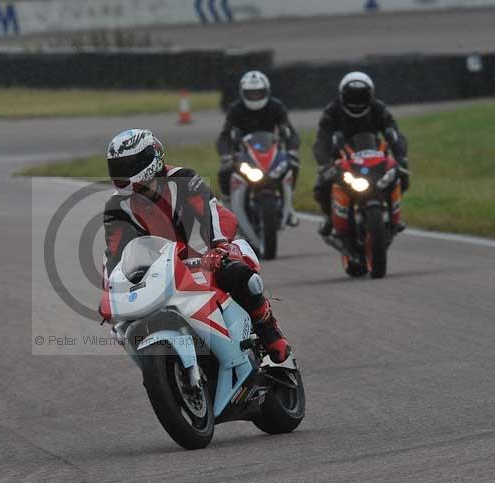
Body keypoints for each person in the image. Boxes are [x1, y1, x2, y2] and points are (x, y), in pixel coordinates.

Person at [100, 129, 290, 363]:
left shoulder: (183, 179)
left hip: (209, 245)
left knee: (238, 275)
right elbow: (115, 252)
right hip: (161, 265)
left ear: (151, 158)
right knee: (122, 325)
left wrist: (217, 249)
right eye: (117, 167)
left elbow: (208, 216)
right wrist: (110, 290)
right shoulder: (116, 206)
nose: (122, 173)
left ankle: (269, 331)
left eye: (129, 165)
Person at [313, 71, 409, 236]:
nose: (356, 102)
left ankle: (393, 214)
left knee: (402, 176)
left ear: (370, 95)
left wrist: (401, 157)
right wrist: (325, 164)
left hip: (375, 155)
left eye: (361, 97)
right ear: (343, 95)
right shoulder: (332, 111)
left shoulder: (379, 109)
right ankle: (330, 217)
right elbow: (322, 140)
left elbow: (394, 134)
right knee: (322, 186)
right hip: (341, 157)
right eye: (352, 97)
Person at [216, 70, 300, 225]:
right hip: (243, 153)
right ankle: (227, 204)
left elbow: (290, 131)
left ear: (266, 91)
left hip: (271, 150)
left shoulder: (276, 106)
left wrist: (292, 150)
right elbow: (225, 136)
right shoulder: (236, 109)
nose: (255, 96)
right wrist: (226, 154)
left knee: (293, 165)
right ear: (243, 93)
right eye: (251, 93)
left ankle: (289, 205)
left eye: (258, 93)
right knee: (225, 170)